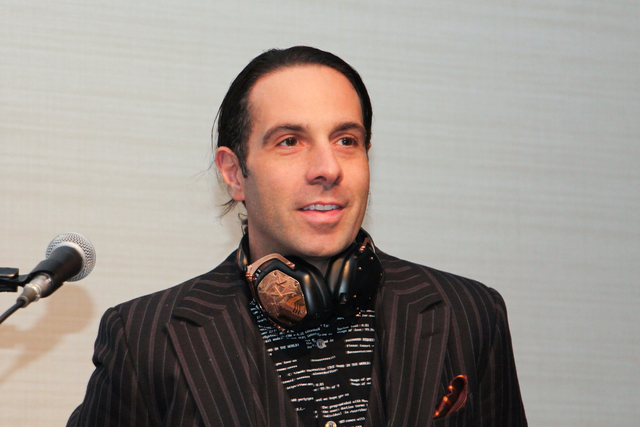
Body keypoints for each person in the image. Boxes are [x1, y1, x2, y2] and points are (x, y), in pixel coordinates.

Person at [68, 46, 527, 427]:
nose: (328, 168)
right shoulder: (145, 339)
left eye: (346, 141)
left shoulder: (470, 313)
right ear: (234, 173)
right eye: (289, 141)